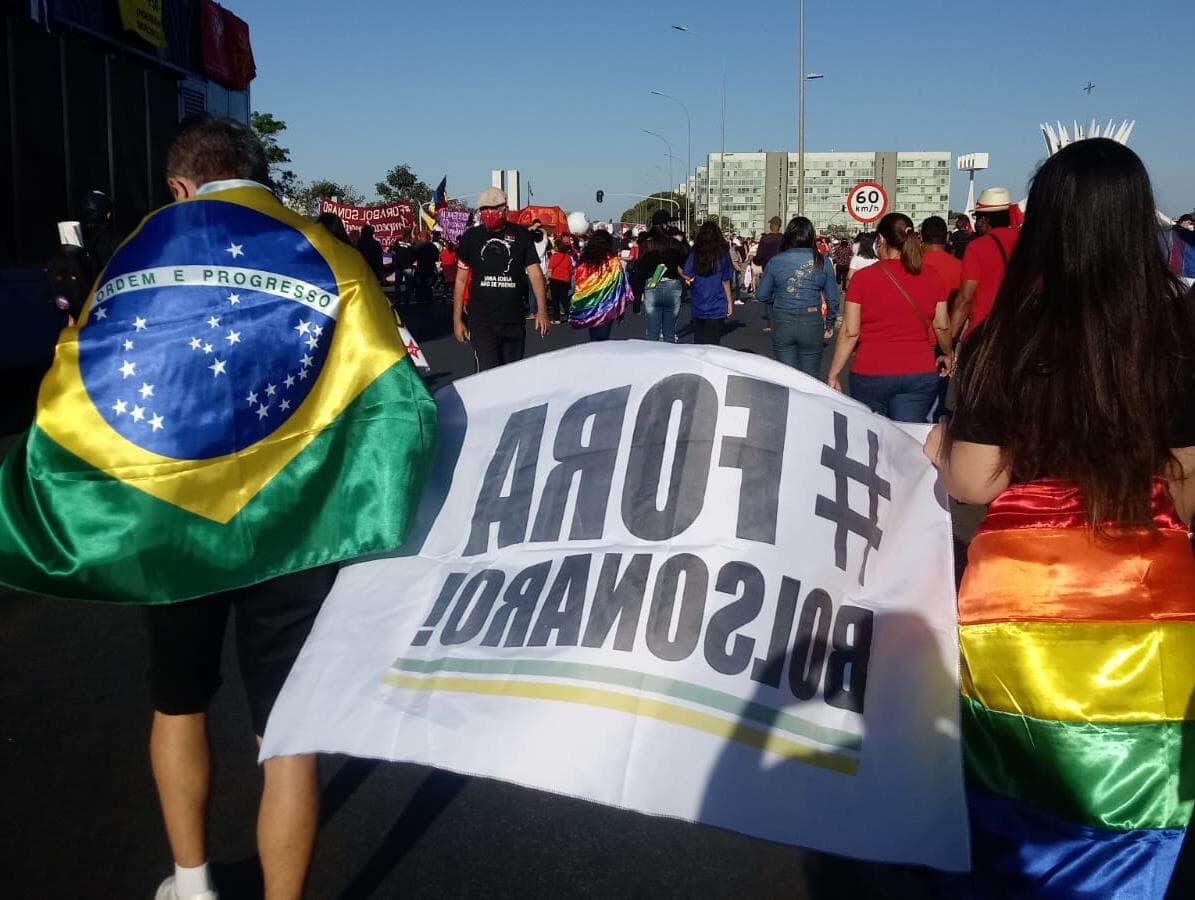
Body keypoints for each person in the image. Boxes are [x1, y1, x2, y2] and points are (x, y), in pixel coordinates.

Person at [922, 137, 1195, 898]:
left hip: (1019, 595)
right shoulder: (1179, 332)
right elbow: (1186, 491)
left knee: (1013, 784)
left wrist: (939, 441)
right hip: (1149, 589)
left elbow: (973, 483)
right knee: (1137, 790)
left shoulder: (1004, 335)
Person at [149, 116, 351, 900]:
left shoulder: (145, 252)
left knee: (177, 702)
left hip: (174, 517)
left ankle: (192, 886)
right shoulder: (333, 254)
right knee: (288, 733)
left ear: (180, 185)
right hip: (295, 524)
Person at [826, 212, 952, 422]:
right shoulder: (932, 276)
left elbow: (850, 331)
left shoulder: (862, 279)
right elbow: (942, 325)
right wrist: (948, 353)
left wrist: (834, 372)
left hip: (871, 371)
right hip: (918, 369)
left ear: (881, 240)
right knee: (908, 438)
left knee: (873, 441)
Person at [453, 187, 549, 371]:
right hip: (482, 321)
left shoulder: (521, 235)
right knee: (487, 376)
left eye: (494, 208)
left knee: (510, 376)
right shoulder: (471, 237)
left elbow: (535, 273)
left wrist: (542, 310)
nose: (489, 213)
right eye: (484, 209)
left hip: (513, 320)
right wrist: (457, 320)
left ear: (505, 209)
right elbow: (460, 280)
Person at [755, 216, 839, 377]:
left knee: (788, 378)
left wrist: (778, 298)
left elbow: (762, 294)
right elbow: (833, 298)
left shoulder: (776, 261)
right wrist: (829, 323)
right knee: (810, 378)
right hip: (811, 320)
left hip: (783, 319)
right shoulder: (822, 261)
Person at [950, 187, 1020, 340]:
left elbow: (965, 299)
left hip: (985, 334)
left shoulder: (978, 247)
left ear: (984, 219)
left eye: (977, 217)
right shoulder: (1028, 241)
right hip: (1021, 333)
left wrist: (949, 342)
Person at [632, 210, 688, 342]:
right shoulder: (674, 243)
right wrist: (682, 241)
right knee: (669, 332)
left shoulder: (647, 244)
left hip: (653, 285)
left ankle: (653, 360)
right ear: (665, 225)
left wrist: (636, 299)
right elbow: (686, 261)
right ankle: (669, 360)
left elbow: (639, 271)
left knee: (652, 332)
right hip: (672, 285)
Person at [569, 229, 631, 341]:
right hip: (607, 307)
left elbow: (578, 282)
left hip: (590, 306)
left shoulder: (585, 262)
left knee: (594, 338)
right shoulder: (613, 262)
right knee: (603, 339)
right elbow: (621, 286)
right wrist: (621, 308)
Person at [682, 221, 735, 345]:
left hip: (698, 303)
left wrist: (691, 279)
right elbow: (726, 280)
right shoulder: (722, 254)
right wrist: (729, 302)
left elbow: (687, 272)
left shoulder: (695, 253)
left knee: (699, 342)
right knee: (713, 343)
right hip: (717, 304)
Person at [753, 216, 785, 333]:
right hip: (783, 271)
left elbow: (759, 256)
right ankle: (781, 321)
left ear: (771, 225)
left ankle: (771, 324)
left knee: (768, 297)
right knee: (781, 296)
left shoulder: (765, 239)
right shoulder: (784, 239)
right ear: (780, 226)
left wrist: (755, 260)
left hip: (768, 270)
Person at [546, 237, 575, 324]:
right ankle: (570, 316)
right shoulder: (568, 257)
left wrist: (547, 280)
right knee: (565, 299)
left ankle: (557, 319)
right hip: (565, 280)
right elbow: (570, 270)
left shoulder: (554, 256)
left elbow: (550, 269)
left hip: (555, 279)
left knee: (555, 300)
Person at [1164, 212, 1195, 288]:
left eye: (1189, 224)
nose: (1188, 225)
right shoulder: (1175, 232)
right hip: (1178, 267)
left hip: (1174, 267)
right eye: (1188, 223)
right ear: (1183, 221)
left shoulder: (1172, 231)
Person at [411, 231, 439, 303]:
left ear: (421, 237)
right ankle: (428, 298)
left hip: (421, 268)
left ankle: (419, 298)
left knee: (419, 284)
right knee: (428, 285)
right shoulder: (432, 246)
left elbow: (413, 257)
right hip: (430, 268)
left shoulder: (418, 246)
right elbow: (436, 257)